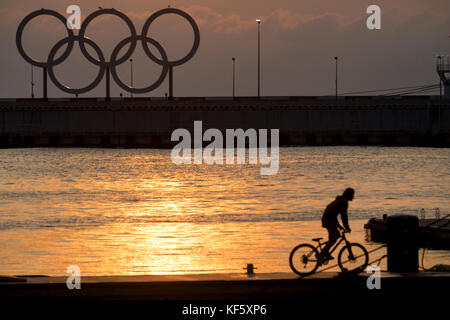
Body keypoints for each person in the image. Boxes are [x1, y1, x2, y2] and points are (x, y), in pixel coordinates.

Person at [319, 188, 354, 261]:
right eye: (352, 194)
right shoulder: (344, 202)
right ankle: (322, 253)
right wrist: (347, 227)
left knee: (336, 236)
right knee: (334, 238)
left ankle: (325, 252)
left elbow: (334, 214)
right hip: (329, 219)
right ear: (348, 195)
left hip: (330, 218)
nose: (353, 196)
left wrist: (339, 226)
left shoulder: (341, 200)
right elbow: (344, 216)